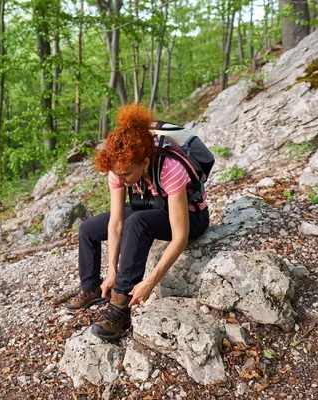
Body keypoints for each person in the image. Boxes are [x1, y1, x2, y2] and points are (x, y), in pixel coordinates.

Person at [65, 104, 210, 341]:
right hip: (152, 205)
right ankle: (92, 287)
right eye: (117, 175)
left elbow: (181, 236)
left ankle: (120, 305)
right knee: (89, 228)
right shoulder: (119, 169)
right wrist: (112, 270)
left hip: (192, 217)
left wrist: (149, 282)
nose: (121, 180)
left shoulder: (169, 168)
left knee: (139, 222)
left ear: (144, 162)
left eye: (126, 175)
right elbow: (116, 222)